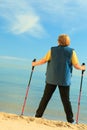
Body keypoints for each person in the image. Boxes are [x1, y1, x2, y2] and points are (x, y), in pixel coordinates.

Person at [32, 34, 86, 123]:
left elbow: (44, 60)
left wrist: (34, 64)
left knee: (45, 98)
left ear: (58, 41)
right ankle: (70, 120)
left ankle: (38, 116)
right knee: (66, 100)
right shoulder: (71, 52)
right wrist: (83, 68)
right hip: (64, 80)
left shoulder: (52, 50)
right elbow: (76, 66)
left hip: (51, 78)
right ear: (68, 41)